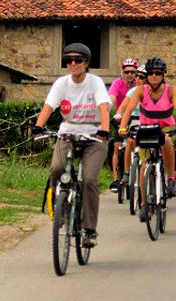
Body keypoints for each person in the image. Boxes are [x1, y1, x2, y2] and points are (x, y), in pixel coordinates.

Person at [32, 42, 111, 248]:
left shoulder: (95, 83)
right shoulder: (61, 83)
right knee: (57, 168)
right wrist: (38, 126)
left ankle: (90, 230)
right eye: (69, 60)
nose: (73, 64)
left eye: (78, 60)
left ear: (86, 63)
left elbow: (103, 107)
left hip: (94, 135)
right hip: (68, 131)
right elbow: (49, 106)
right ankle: (62, 211)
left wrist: (104, 129)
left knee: (90, 179)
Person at [118, 57, 176, 213]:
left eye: (158, 73)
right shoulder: (140, 90)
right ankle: (143, 202)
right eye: (150, 73)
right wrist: (123, 127)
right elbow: (128, 110)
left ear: (163, 75)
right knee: (144, 164)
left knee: (167, 142)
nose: (154, 76)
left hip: (165, 128)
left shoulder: (170, 90)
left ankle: (170, 179)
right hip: (146, 128)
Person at [108, 58, 139, 192]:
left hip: (136, 118)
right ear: (123, 73)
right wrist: (107, 112)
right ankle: (115, 179)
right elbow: (111, 99)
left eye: (132, 72)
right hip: (121, 119)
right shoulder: (117, 83)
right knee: (116, 147)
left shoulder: (139, 84)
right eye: (127, 72)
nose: (129, 74)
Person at [115, 64, 145, 190]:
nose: (137, 78)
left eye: (141, 76)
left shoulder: (153, 91)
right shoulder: (132, 91)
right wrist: (118, 114)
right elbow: (124, 106)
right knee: (129, 142)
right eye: (136, 76)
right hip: (135, 120)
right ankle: (127, 173)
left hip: (148, 120)